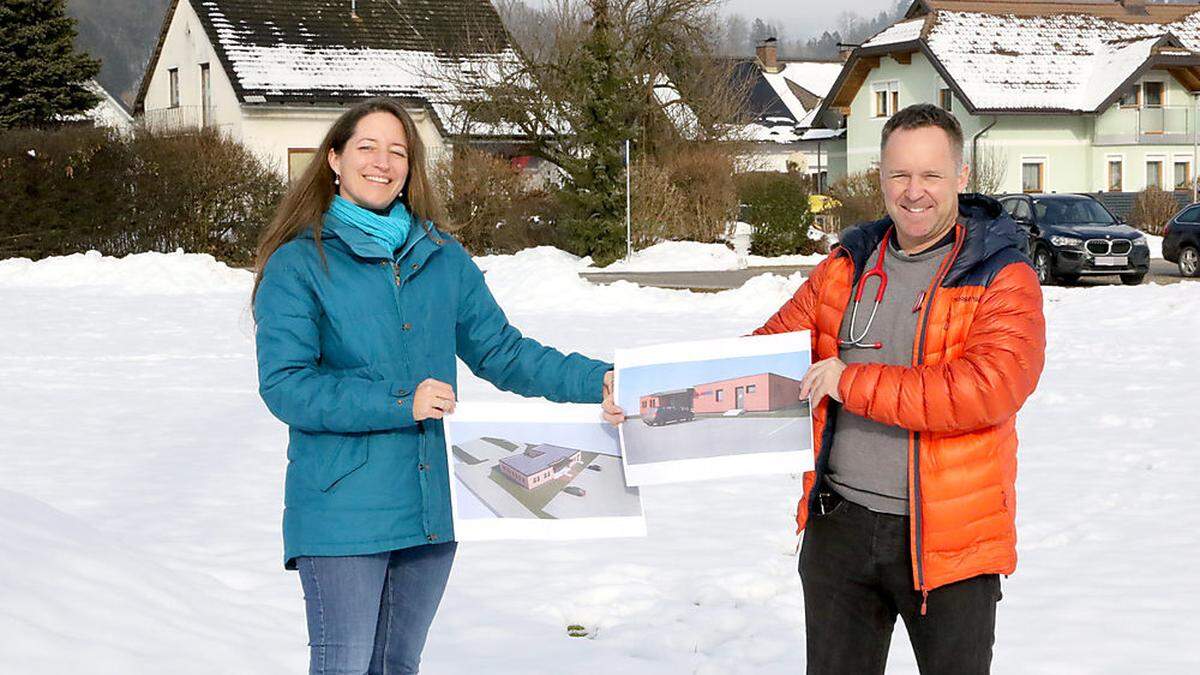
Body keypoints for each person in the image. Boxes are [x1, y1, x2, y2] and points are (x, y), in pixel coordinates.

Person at [251, 97, 624, 674]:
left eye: (397, 151)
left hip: (430, 504)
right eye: (367, 147)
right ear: (334, 159)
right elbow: (287, 386)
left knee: (398, 666)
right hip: (343, 510)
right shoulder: (299, 264)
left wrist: (597, 380)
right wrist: (401, 402)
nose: (382, 162)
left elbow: (504, 352)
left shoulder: (443, 258)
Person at [753, 104, 1046, 674]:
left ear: (962, 177)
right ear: (879, 176)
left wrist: (849, 380)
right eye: (899, 175)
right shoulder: (847, 266)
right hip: (839, 527)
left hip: (949, 545)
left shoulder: (1001, 276)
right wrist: (651, 392)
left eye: (931, 175)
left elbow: (987, 388)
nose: (914, 192)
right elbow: (762, 352)